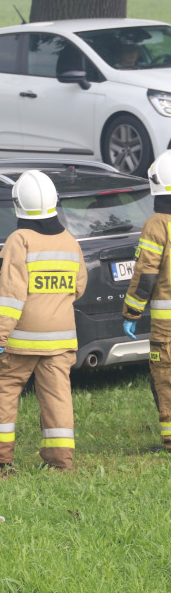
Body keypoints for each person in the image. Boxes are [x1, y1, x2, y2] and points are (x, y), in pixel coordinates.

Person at [0, 170, 86, 470]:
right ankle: (60, 461)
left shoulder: (19, 240)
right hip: (61, 340)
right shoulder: (69, 241)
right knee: (57, 398)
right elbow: (79, 287)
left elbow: (10, 295)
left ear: (18, 205)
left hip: (21, 341)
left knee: (3, 388)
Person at [123, 151, 171, 453]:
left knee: (165, 377)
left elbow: (146, 276)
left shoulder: (157, 224)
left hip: (167, 327)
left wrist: (131, 311)